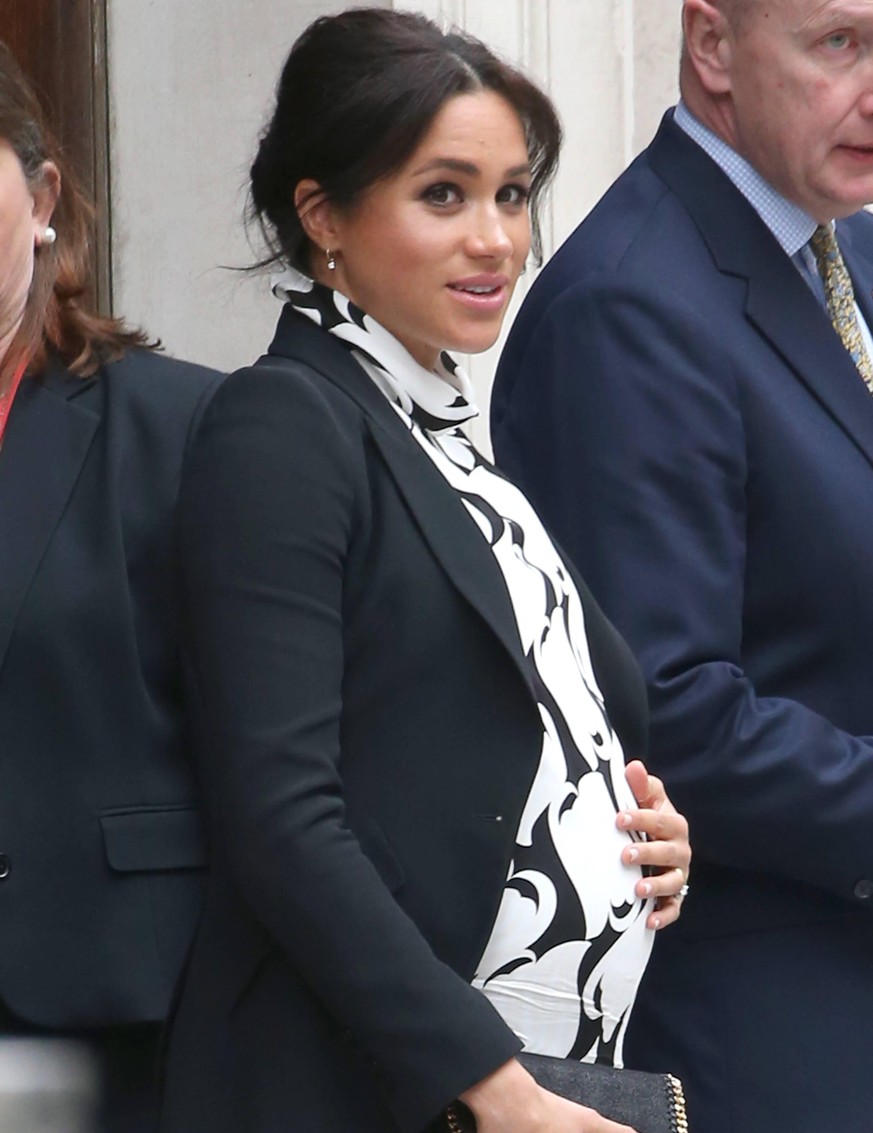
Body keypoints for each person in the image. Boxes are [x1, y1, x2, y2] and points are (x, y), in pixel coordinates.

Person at [159, 9, 691, 1133]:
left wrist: (645, 835)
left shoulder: (447, 437)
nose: (497, 238)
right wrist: (495, 1086)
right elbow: (283, 819)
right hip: (379, 1090)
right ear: (324, 215)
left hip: (538, 1081)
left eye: (511, 192)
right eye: (443, 194)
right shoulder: (285, 424)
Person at [490, 1, 873, 1131]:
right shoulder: (630, 301)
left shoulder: (839, 238)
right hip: (764, 1017)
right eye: (838, 43)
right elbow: (670, 706)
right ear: (713, 47)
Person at [0, 41, 222, 1133]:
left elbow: (343, 725)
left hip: (115, 1034)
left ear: (42, 197)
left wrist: (618, 816)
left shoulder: (189, 428)